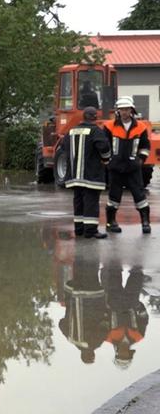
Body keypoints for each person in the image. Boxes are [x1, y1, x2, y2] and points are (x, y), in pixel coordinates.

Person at [60, 106, 111, 238]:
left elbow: (64, 147)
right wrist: (106, 160)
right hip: (91, 175)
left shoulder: (71, 131)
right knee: (91, 202)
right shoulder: (96, 131)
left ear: (83, 117)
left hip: (74, 176)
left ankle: (79, 229)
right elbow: (104, 148)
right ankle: (91, 231)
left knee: (78, 202)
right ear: (95, 117)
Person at [105, 96, 151, 234]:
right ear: (118, 111)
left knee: (140, 196)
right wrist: (108, 161)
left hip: (133, 168)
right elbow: (104, 145)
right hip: (115, 168)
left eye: (126, 109)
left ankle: (145, 222)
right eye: (122, 109)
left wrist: (140, 160)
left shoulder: (141, 127)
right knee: (113, 197)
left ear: (131, 110)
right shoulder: (109, 126)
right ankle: (111, 222)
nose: (124, 112)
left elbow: (145, 146)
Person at [103, 257, 148, 369]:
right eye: (125, 356)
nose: (123, 353)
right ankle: (138, 253)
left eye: (121, 356)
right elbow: (143, 319)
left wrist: (105, 306)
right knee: (137, 274)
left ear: (117, 353)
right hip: (131, 302)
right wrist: (139, 307)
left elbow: (102, 319)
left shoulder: (108, 337)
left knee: (114, 271)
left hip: (114, 302)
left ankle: (114, 253)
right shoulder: (138, 336)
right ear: (129, 354)